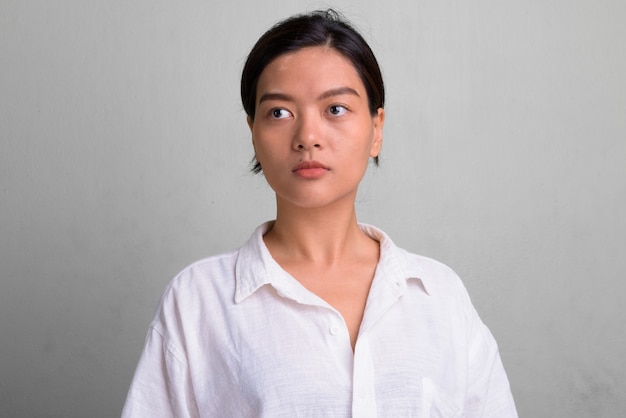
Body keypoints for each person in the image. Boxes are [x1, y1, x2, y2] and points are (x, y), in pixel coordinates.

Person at [121, 9, 518, 417]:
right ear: (253, 133)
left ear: (376, 129)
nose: (307, 136)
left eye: (335, 109)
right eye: (279, 113)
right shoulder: (197, 303)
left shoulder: (440, 297)